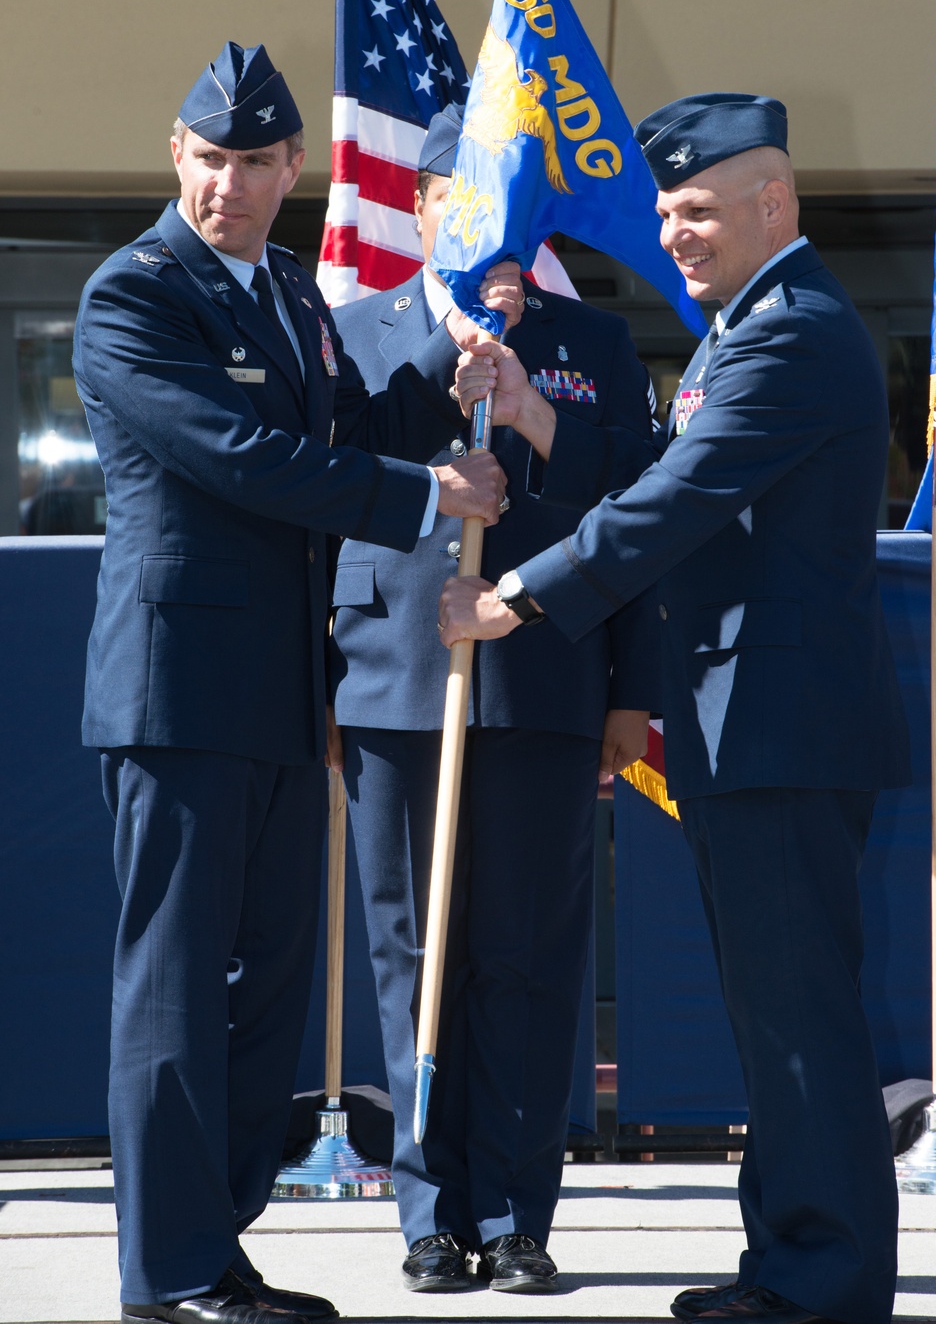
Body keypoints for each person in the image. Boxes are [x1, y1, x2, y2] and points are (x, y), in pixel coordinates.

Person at [440, 92, 912, 1324]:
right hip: (746, 721)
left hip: (778, 725)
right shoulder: (745, 324)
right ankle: (790, 1261)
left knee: (798, 1011)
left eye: (696, 207)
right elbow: (665, 476)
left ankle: (825, 1277)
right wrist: (542, 422)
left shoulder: (790, 332)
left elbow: (675, 501)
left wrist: (519, 599)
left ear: (775, 204)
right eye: (662, 207)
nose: (673, 229)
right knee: (775, 1011)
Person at [73, 43, 512, 1324]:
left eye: (256, 162)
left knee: (266, 986)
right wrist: (421, 491)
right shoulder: (133, 294)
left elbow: (338, 433)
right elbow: (239, 456)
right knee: (173, 984)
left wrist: (442, 376)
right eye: (209, 159)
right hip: (174, 692)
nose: (229, 185)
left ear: (291, 169)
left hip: (278, 691)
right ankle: (167, 1270)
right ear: (177, 155)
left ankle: (217, 1240)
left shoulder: (288, 294)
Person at [327, 103, 656, 1294]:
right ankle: (428, 1209)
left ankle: (517, 1209)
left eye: (514, 210)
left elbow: (641, 509)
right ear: (417, 208)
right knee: (410, 953)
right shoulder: (353, 329)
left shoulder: (594, 343)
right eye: (462, 203)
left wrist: (533, 415)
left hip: (547, 680)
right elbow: (327, 483)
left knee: (526, 956)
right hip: (392, 682)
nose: (492, 234)